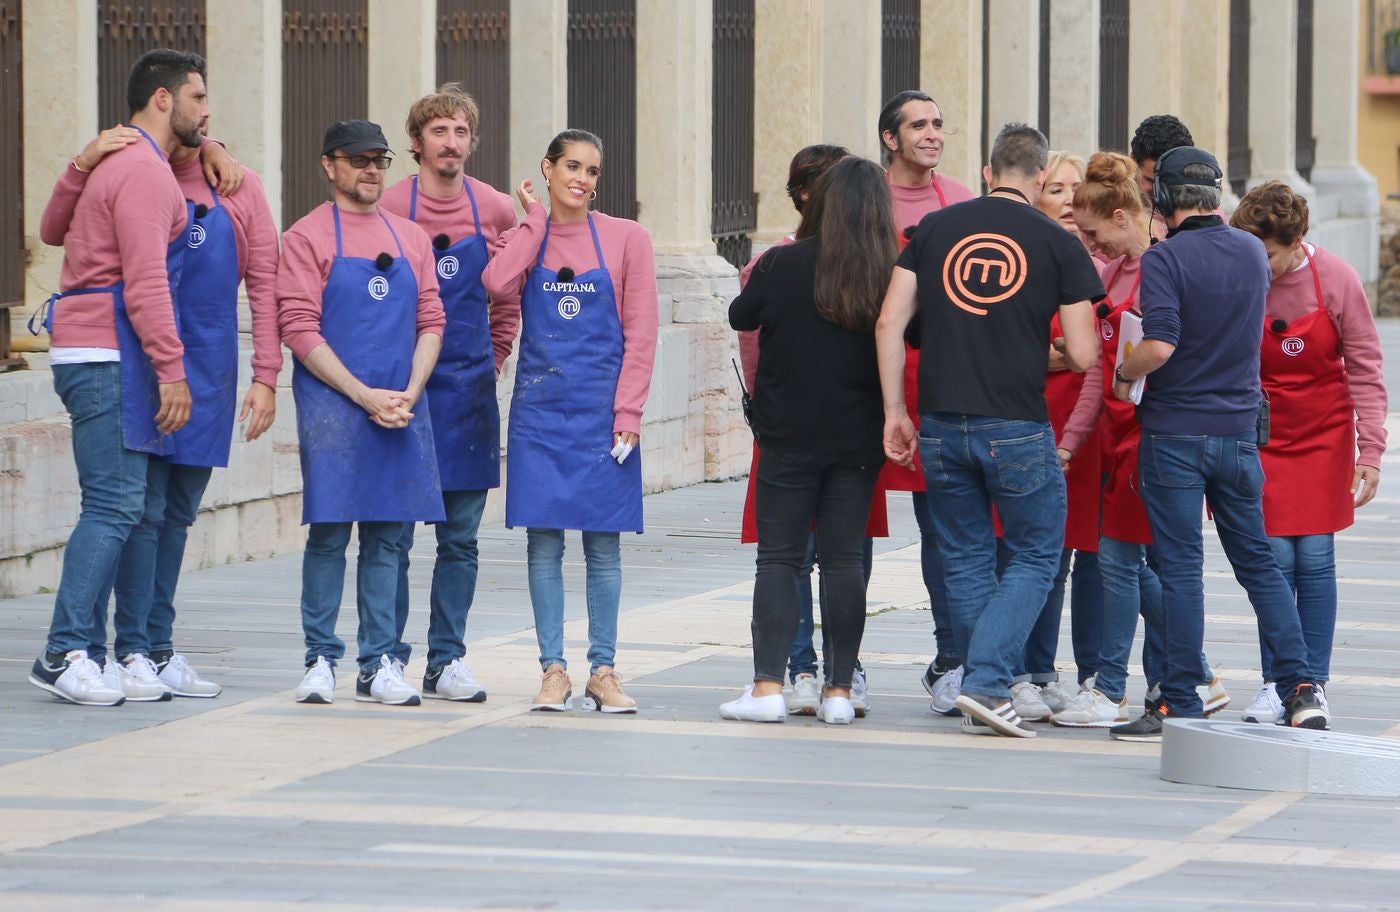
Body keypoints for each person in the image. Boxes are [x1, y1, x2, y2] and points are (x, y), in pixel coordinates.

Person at [877, 123, 1102, 738]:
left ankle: (982, 687)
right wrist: (1037, 353)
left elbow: (889, 321)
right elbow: (1084, 355)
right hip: (1018, 424)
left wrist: (896, 410)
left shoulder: (935, 229)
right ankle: (986, 681)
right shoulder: (1059, 244)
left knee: (967, 557)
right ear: (1036, 178)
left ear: (987, 172)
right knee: (1035, 553)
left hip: (942, 422)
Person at [40, 124, 279, 702]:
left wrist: (267, 374)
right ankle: (124, 651)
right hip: (142, 359)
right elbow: (57, 230)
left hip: (210, 367)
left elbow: (266, 282)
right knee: (135, 508)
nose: (204, 120)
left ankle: (155, 645)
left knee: (174, 513)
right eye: (196, 102)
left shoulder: (238, 186)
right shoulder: (132, 165)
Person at [1110, 146, 1328, 739]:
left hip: (1176, 434)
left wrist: (1125, 374)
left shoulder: (1165, 259)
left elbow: (1161, 344)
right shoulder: (1252, 254)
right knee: (1258, 563)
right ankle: (1301, 689)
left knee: (1181, 570)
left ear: (1163, 199)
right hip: (1238, 434)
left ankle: (1179, 699)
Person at [26, 49, 206, 707]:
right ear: (163, 100)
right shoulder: (144, 175)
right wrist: (172, 370)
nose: (206, 111)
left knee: (119, 504)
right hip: (107, 352)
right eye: (198, 98)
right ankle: (64, 652)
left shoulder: (114, 162)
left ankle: (85, 651)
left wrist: (79, 163)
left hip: (90, 348)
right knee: (114, 505)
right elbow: (146, 281)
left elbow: (51, 229)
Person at [481, 129, 658, 714]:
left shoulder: (627, 239)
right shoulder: (524, 239)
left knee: (604, 547)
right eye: (572, 167)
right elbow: (495, 284)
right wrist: (533, 222)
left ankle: (603, 671)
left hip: (602, 416)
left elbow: (641, 332)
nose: (582, 179)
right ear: (548, 170)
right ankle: (552, 670)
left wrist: (627, 410)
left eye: (592, 171)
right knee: (543, 544)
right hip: (539, 411)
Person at [1053, 151, 1229, 730]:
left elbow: (1164, 356)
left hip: (1153, 435)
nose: (1092, 245)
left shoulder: (1161, 266)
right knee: (1138, 564)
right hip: (1112, 436)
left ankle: (1111, 687)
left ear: (1125, 216)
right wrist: (1074, 440)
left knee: (1121, 560)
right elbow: (1099, 371)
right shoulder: (1108, 276)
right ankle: (1192, 672)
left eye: (1096, 232)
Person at [277, 119, 446, 706]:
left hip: (402, 404)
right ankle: (320, 657)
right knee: (328, 534)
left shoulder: (412, 238)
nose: (371, 169)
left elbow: (432, 320)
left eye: (379, 159)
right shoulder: (305, 237)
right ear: (330, 166)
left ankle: (380, 663)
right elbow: (297, 327)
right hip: (333, 406)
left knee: (389, 538)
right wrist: (362, 394)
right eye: (357, 159)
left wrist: (409, 390)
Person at [722, 156, 895, 724]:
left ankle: (770, 687)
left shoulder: (781, 264)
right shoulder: (889, 274)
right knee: (845, 562)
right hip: (858, 440)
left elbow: (739, 315)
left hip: (788, 435)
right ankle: (840, 692)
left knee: (779, 559)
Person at [380, 84, 520, 702]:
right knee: (395, 533)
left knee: (460, 538)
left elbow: (508, 295)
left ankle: (448, 660)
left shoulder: (493, 209)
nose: (451, 142)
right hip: (403, 392)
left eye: (461, 131)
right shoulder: (389, 205)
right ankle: (385, 657)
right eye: (439, 131)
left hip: (467, 392)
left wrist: (490, 361)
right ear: (417, 143)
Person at [1230, 182, 1387, 725]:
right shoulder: (1241, 280)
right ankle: (1278, 682)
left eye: (1267, 254)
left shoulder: (1337, 278)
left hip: (1324, 438)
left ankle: (1312, 684)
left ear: (1297, 241)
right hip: (1262, 438)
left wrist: (1372, 449)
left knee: (1315, 559)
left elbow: (1366, 367)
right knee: (1273, 560)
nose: (1257, 263)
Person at [874, 90, 978, 713]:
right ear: (891, 138)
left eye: (939, 123)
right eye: (919, 125)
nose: (933, 134)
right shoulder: (864, 200)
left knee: (945, 530)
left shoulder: (963, 200)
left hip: (942, 382)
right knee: (848, 531)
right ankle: (839, 666)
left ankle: (954, 657)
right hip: (872, 382)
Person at [1008, 149, 1104, 723]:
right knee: (1032, 552)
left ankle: (1082, 670)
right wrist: (1058, 357)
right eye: (1058, 188)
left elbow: (1098, 353)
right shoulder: (1023, 255)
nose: (1069, 200)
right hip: (1030, 415)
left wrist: (1069, 358)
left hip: (1087, 424)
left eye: (1077, 189)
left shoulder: (1097, 261)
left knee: (1078, 551)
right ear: (1036, 194)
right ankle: (1027, 669)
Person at [1129, 115, 1195, 239]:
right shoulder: (1108, 212)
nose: (1159, 190)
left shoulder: (1205, 214)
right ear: (1132, 162)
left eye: (1168, 182)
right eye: (1151, 180)